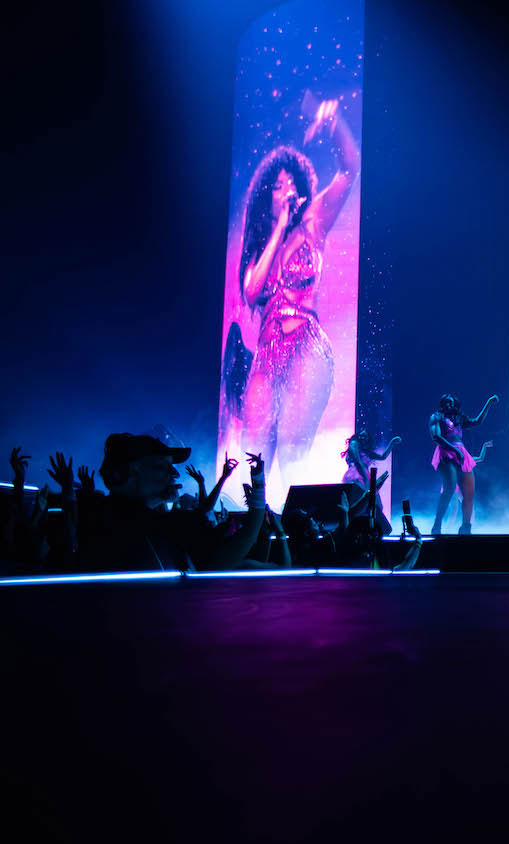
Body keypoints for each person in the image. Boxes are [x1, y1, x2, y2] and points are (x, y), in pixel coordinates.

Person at [230, 95, 360, 489]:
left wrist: (333, 122)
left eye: (291, 184)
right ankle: (257, 520)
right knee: (254, 456)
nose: (285, 190)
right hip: (266, 352)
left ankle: (296, 523)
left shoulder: (313, 223)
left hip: (305, 343)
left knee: (291, 451)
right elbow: (251, 292)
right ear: (265, 197)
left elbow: (350, 168)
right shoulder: (259, 247)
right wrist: (277, 229)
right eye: (277, 186)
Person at [77, 434, 266, 572]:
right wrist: (258, 487)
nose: (174, 473)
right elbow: (227, 556)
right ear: (134, 470)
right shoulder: (164, 527)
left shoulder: (93, 519)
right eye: (163, 466)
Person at [429, 393, 498, 535]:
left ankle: (466, 527)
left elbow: (477, 421)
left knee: (469, 493)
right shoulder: (436, 417)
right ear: (441, 404)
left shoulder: (458, 419)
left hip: (461, 454)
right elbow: (436, 437)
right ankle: (437, 525)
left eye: (452, 402)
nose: (449, 405)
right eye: (446, 402)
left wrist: (489, 402)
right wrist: (455, 450)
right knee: (449, 489)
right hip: (446, 453)